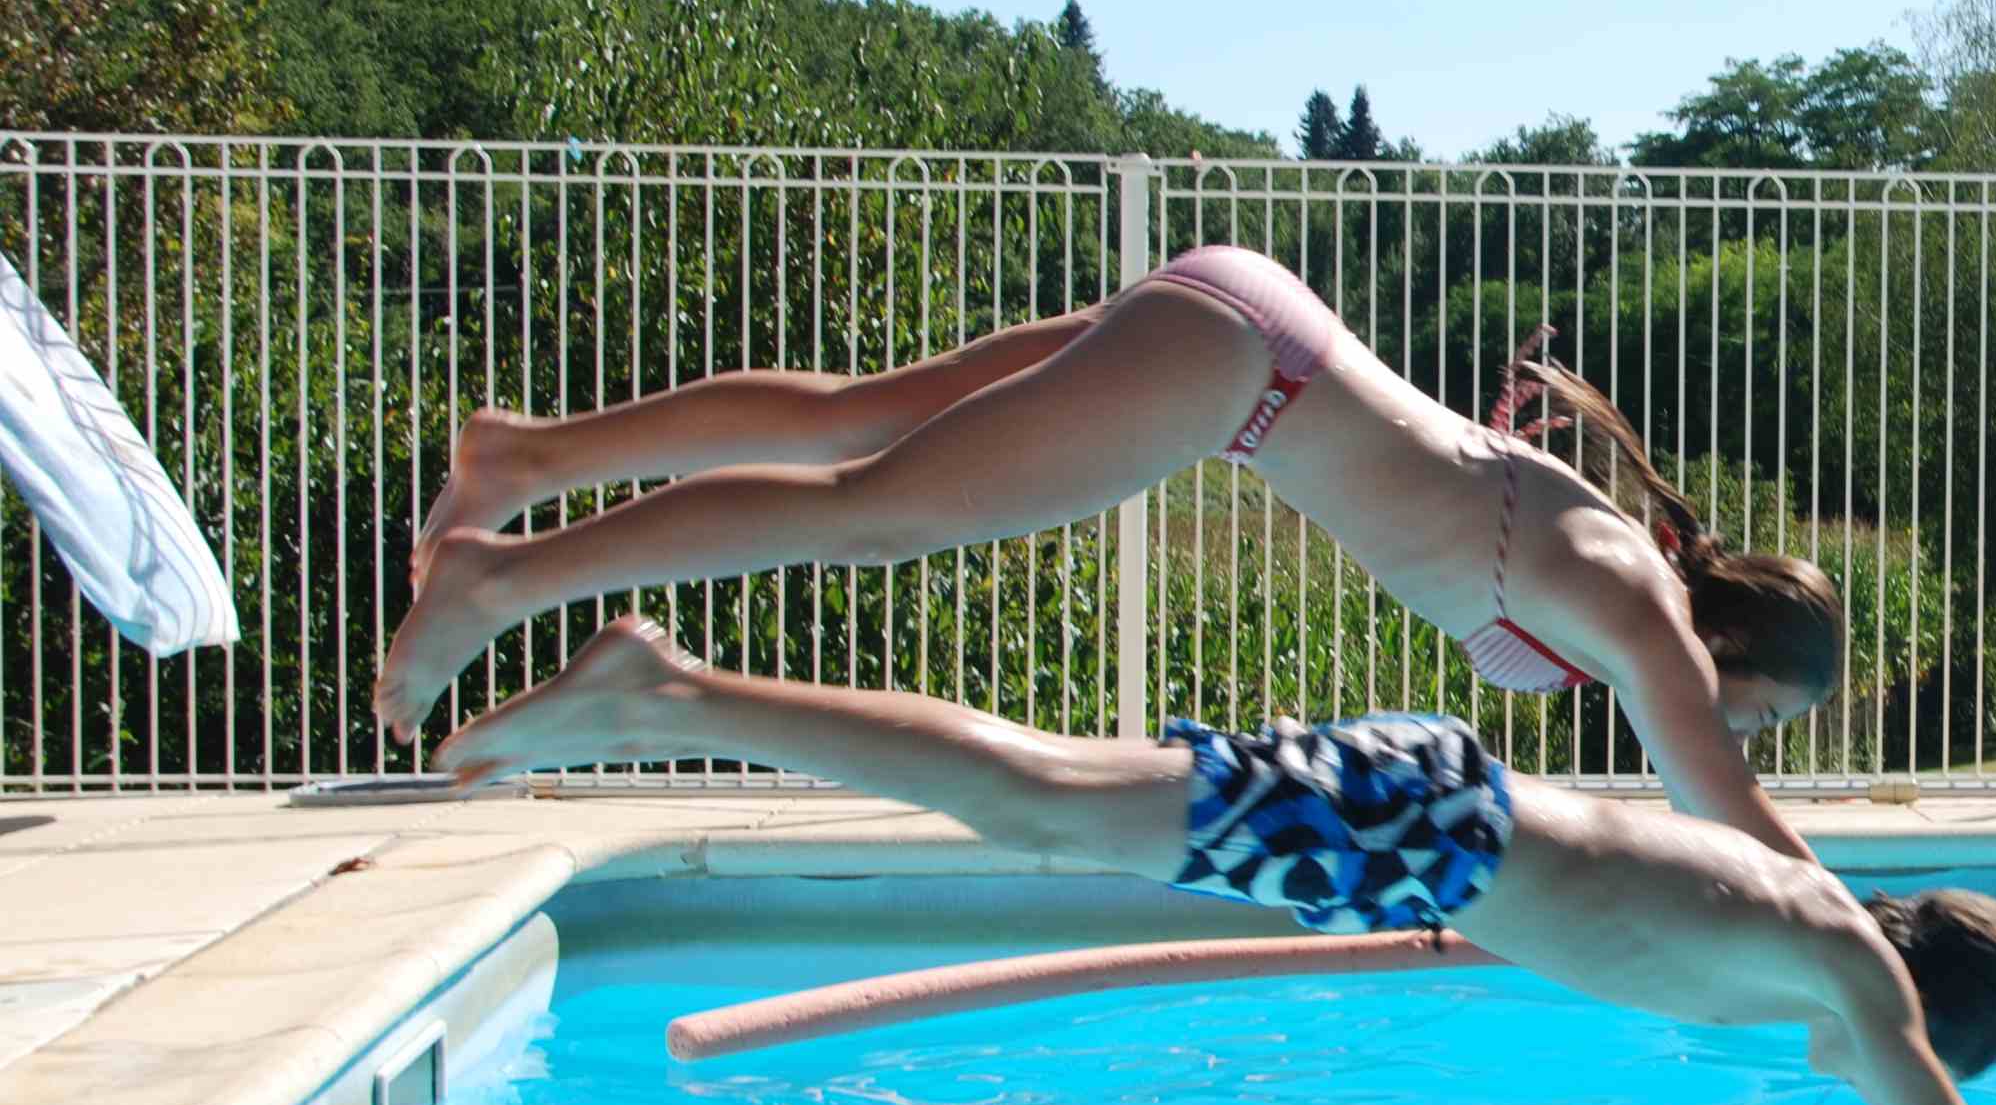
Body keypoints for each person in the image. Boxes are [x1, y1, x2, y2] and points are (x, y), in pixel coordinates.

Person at [434, 615, 1996, 1105]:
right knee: (1039, 798)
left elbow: (1620, 913)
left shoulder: (1817, 932)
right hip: (1419, 828)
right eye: (1935, 1063)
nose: (1905, 1082)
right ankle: (674, 686)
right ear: (1931, 1017)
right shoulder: (1852, 972)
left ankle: (672, 695)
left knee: (1047, 808)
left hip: (1428, 826)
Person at [375, 249, 1841, 862]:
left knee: (858, 425)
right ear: (1735, 650)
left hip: (1253, 325)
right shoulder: (1646, 616)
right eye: (1758, 714)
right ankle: (508, 578)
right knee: (870, 507)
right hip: (1240, 379)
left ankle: (526, 459)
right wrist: (1881, 949)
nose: (1736, 738)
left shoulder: (1621, 573)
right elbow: (1726, 822)